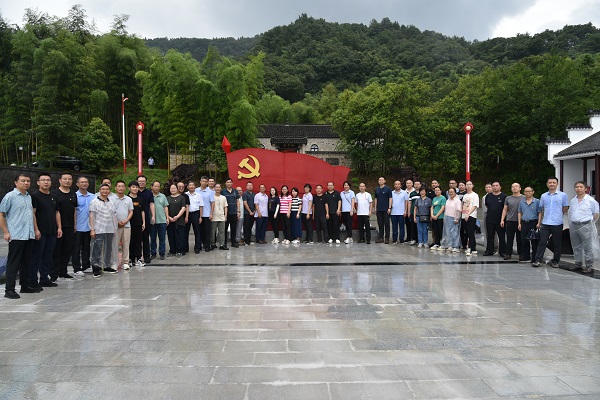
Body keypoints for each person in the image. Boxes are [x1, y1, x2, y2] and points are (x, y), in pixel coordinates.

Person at [0, 174, 37, 298]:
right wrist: (6, 232)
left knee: (26, 262)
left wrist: (35, 230)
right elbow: (1, 215)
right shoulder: (10, 196)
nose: (26, 183)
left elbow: (32, 215)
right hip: (16, 235)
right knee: (13, 263)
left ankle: (25, 286)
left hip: (29, 234)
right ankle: (9, 289)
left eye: (28, 181)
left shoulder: (28, 197)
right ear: (16, 182)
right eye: (23, 181)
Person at [30, 173, 60, 291]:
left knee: (48, 256)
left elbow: (57, 212)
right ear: (38, 182)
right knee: (37, 256)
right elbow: (33, 213)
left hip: (51, 231)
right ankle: (33, 280)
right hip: (40, 232)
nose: (46, 182)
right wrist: (36, 229)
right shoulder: (34, 196)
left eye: (48, 180)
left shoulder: (53, 196)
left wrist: (59, 227)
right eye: (43, 180)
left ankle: (44, 278)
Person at [532, 177, 569, 268]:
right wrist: (540, 222)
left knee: (557, 243)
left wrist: (558, 214)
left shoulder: (563, 195)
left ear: (557, 184)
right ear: (547, 184)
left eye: (554, 182)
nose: (552, 184)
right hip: (546, 223)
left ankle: (555, 261)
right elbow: (541, 208)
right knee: (542, 242)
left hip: (557, 223)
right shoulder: (544, 196)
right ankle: (538, 260)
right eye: (550, 182)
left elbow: (565, 208)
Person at [567, 181, 600, 274]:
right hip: (574, 225)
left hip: (586, 225)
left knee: (587, 246)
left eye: (581, 187)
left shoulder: (591, 201)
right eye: (577, 187)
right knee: (576, 245)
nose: (579, 189)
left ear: (585, 189)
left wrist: (590, 222)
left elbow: (596, 214)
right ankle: (578, 263)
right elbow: (571, 212)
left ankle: (589, 265)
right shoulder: (573, 200)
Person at [51, 172, 78, 282]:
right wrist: (58, 227)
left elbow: (75, 210)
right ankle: (54, 273)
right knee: (56, 250)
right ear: (60, 180)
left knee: (67, 250)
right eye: (65, 179)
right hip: (57, 227)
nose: (67, 181)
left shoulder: (73, 194)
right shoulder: (54, 193)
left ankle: (63, 271)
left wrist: (75, 224)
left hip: (70, 226)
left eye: (69, 179)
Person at [89, 183, 118, 277]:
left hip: (110, 229)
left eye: (107, 189)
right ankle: (95, 267)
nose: (105, 191)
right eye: (103, 189)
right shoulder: (94, 202)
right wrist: (92, 229)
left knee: (108, 248)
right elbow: (92, 216)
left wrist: (115, 228)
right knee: (97, 248)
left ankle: (107, 265)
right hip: (99, 229)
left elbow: (114, 216)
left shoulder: (111, 202)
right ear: (99, 190)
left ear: (109, 191)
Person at [72, 176, 94, 275]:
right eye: (82, 182)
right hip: (78, 226)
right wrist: (74, 224)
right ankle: (77, 268)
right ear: (77, 184)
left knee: (86, 247)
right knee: (76, 248)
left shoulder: (92, 196)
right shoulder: (74, 196)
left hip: (89, 226)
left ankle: (86, 266)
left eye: (86, 182)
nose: (84, 184)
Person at [501, 183, 524, 261]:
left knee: (520, 238)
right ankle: (508, 253)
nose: (514, 188)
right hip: (510, 220)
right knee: (509, 238)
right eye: (513, 187)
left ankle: (521, 254)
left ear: (520, 188)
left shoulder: (524, 198)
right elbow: (505, 209)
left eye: (516, 186)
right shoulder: (508, 198)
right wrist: (502, 219)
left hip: (520, 221)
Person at [483, 182, 507, 258]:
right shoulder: (488, 196)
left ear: (500, 187)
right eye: (493, 186)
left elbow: (506, 208)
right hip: (490, 219)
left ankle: (502, 251)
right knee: (490, 236)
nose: (495, 187)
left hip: (500, 220)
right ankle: (490, 250)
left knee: (501, 236)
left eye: (497, 185)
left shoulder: (504, 196)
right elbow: (487, 205)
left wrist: (502, 219)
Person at [517, 186, 540, 264]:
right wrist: (519, 223)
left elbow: (540, 212)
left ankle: (534, 257)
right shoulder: (522, 202)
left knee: (534, 241)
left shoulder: (537, 201)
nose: (527, 193)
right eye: (526, 191)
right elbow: (519, 212)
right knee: (524, 240)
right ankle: (526, 256)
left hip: (533, 222)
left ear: (533, 192)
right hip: (524, 222)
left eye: (529, 191)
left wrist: (539, 223)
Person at [114, 180, 133, 270]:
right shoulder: (111, 199)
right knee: (115, 244)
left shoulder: (128, 199)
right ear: (115, 188)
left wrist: (125, 221)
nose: (121, 188)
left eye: (122, 186)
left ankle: (125, 262)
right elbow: (110, 212)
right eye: (119, 186)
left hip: (126, 225)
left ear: (125, 188)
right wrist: (117, 221)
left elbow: (131, 211)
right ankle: (114, 262)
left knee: (126, 244)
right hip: (115, 225)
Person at [137, 175, 155, 264]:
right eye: (140, 181)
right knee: (136, 238)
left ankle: (147, 256)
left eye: (143, 181)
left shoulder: (149, 192)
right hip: (136, 218)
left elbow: (151, 204)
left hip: (146, 217)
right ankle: (137, 256)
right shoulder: (134, 191)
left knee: (146, 238)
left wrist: (153, 216)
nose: (141, 183)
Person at [128, 181, 145, 267]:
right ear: (129, 188)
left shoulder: (140, 199)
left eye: (136, 187)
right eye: (133, 187)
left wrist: (143, 222)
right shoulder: (127, 198)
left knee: (138, 241)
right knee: (130, 241)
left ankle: (139, 258)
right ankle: (131, 259)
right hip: (129, 223)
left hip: (138, 223)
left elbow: (142, 211)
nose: (135, 189)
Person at [166, 183, 186, 256]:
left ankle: (180, 251)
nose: (173, 190)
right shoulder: (167, 198)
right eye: (171, 188)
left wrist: (177, 216)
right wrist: (168, 217)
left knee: (179, 236)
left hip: (179, 220)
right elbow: (165, 208)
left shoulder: (181, 198)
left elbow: (183, 208)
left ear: (177, 189)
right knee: (171, 236)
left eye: (174, 188)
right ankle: (172, 251)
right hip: (170, 220)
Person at [440, 187, 462, 253]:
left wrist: (457, 218)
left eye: (452, 192)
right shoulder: (448, 200)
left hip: (454, 218)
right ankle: (450, 245)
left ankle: (456, 246)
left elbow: (459, 210)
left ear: (455, 193)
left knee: (455, 232)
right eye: (449, 192)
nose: (450, 193)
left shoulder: (457, 200)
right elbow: (446, 209)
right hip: (447, 217)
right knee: (448, 232)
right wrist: (444, 218)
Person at [150, 180, 168, 260]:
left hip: (162, 220)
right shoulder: (149, 196)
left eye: (158, 186)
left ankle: (162, 253)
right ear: (151, 187)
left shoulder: (163, 196)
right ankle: (153, 253)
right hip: (152, 221)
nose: (157, 188)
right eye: (155, 186)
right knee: (153, 238)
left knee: (162, 238)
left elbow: (165, 207)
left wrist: (167, 217)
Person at [461, 181, 479, 256]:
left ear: (473, 185)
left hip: (471, 215)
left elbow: (475, 206)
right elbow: (463, 205)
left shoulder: (475, 195)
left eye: (470, 184)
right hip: (463, 215)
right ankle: (473, 248)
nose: (468, 186)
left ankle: (470, 248)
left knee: (470, 232)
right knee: (467, 232)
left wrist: (468, 214)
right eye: (467, 184)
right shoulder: (465, 195)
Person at [185, 181, 203, 253]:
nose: (191, 186)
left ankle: (197, 247)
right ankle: (185, 247)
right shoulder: (185, 195)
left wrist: (200, 217)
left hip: (196, 214)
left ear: (195, 187)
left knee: (197, 231)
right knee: (186, 231)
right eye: (190, 185)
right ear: (187, 187)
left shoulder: (198, 195)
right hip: (187, 214)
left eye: (193, 185)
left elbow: (201, 206)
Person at [222, 178, 239, 248]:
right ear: (225, 183)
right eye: (227, 182)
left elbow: (237, 201)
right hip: (225, 213)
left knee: (234, 228)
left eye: (230, 182)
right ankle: (224, 243)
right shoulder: (223, 191)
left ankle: (233, 242)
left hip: (234, 212)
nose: (229, 183)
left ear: (232, 183)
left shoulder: (235, 191)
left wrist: (238, 211)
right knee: (225, 228)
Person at [210, 183, 229, 250]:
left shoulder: (223, 197)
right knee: (212, 232)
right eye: (216, 187)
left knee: (222, 232)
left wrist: (225, 216)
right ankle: (212, 244)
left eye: (219, 187)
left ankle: (222, 244)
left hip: (221, 217)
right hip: (213, 217)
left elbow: (225, 207)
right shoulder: (211, 197)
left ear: (221, 189)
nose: (217, 189)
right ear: (214, 188)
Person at [374, 177, 392, 244]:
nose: (381, 181)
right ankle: (381, 237)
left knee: (387, 224)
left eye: (382, 180)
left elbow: (390, 198)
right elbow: (376, 199)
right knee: (380, 224)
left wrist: (389, 207)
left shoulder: (388, 189)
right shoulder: (377, 189)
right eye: (379, 180)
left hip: (386, 209)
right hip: (379, 209)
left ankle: (387, 238)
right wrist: (375, 207)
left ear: (384, 181)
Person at [200, 176, 215, 251]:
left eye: (206, 181)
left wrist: (211, 213)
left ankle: (207, 246)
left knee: (207, 231)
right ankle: (200, 244)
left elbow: (213, 203)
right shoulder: (196, 190)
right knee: (200, 231)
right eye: (203, 181)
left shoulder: (210, 192)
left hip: (207, 214)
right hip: (198, 215)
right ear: (200, 182)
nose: (204, 183)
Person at [390, 180, 408, 244]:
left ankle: (401, 240)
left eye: (398, 184)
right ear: (394, 185)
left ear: (400, 185)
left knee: (402, 227)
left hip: (401, 213)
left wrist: (405, 211)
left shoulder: (404, 192)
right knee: (394, 227)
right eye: (396, 184)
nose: (397, 185)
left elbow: (406, 202)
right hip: (393, 212)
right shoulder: (391, 193)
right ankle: (394, 239)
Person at [177, 182, 190, 254]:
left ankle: (184, 248)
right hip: (175, 217)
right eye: (179, 186)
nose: (181, 188)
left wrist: (187, 216)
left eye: (182, 186)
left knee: (184, 233)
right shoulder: (173, 195)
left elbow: (187, 206)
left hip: (184, 217)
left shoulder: (185, 196)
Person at [405, 179, 418, 245]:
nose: (408, 184)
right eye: (407, 183)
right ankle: (409, 237)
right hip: (408, 210)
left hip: (417, 212)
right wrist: (407, 211)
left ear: (412, 184)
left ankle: (416, 239)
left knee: (416, 226)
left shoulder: (417, 192)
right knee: (408, 225)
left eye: (410, 183)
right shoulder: (404, 191)